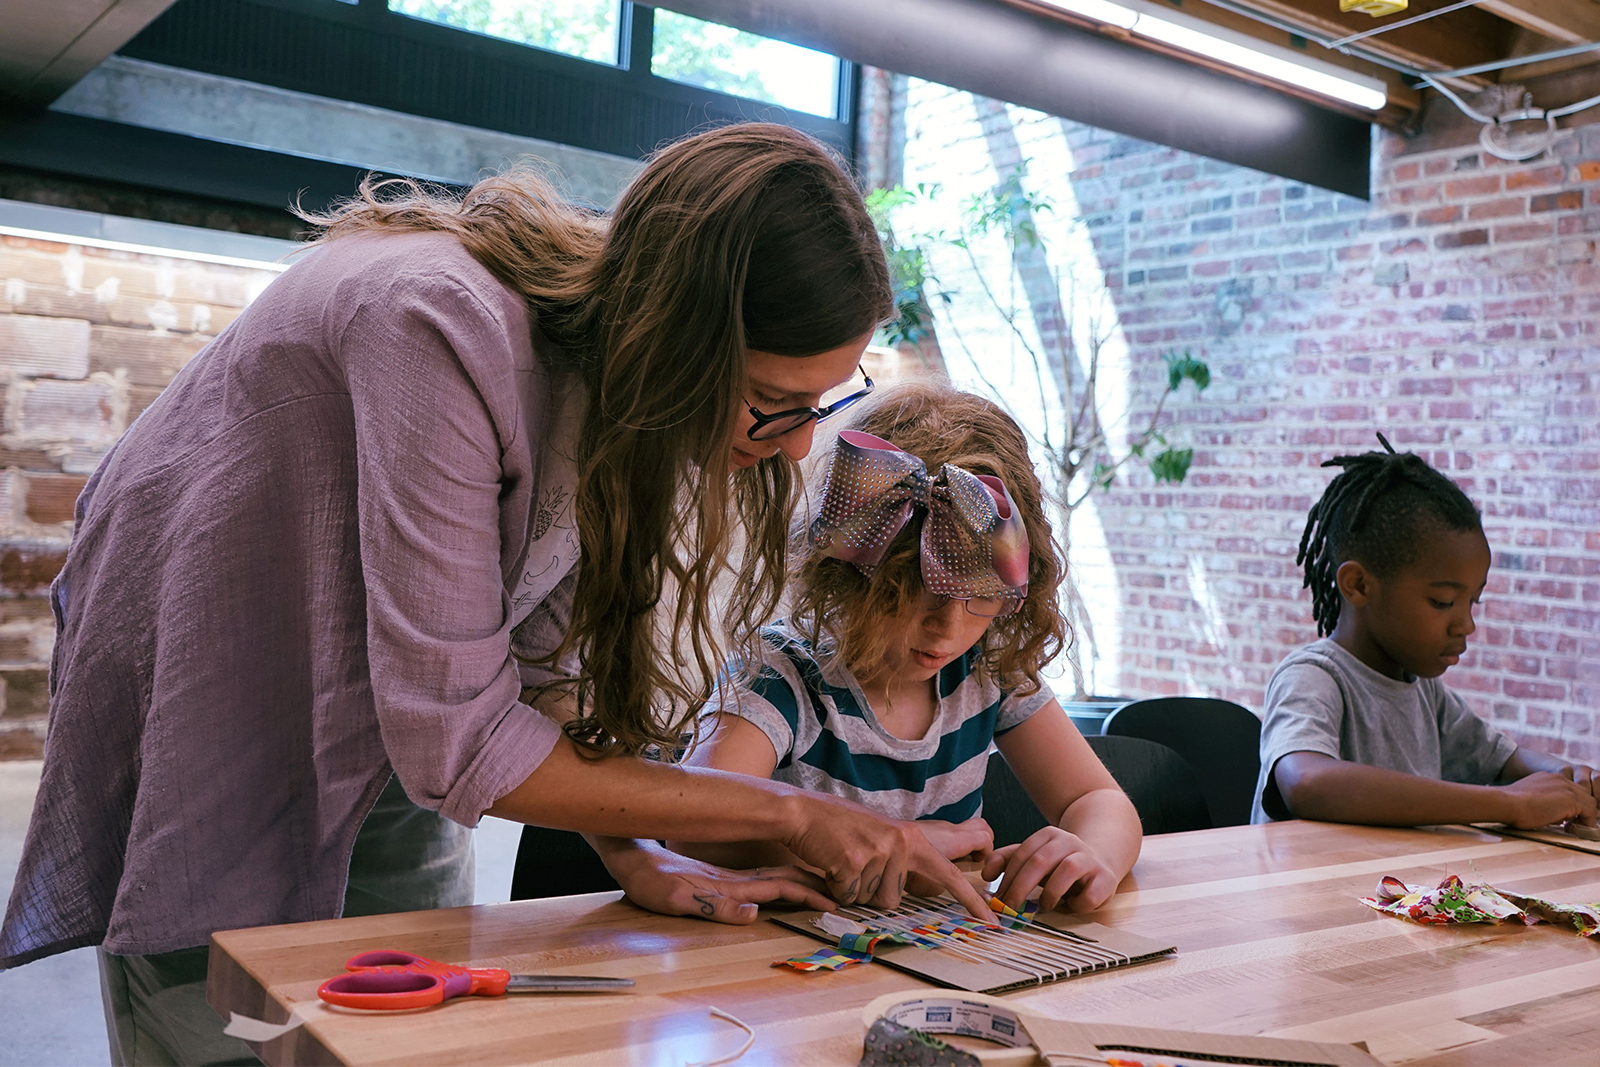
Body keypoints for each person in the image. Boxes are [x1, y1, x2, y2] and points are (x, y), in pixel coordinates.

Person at [0, 123, 988, 1066]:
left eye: (820, 403)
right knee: (219, 1002)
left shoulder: (612, 382)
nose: (800, 441)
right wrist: (793, 814)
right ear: (679, 336)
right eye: (772, 403)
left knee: (406, 1005)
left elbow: (534, 674)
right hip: (220, 653)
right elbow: (461, 741)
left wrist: (632, 848)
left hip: (385, 688)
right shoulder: (437, 322)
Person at [673, 381, 1143, 914]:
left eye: (981, 597)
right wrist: (876, 855)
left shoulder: (988, 668)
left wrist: (1092, 852)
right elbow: (695, 833)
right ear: (851, 574)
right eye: (912, 594)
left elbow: (1097, 800)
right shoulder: (778, 677)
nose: (948, 629)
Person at [1253, 437, 1600, 829]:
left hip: (1394, 888)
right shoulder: (1313, 677)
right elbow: (1306, 782)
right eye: (1442, 602)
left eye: (1474, 602)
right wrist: (1505, 804)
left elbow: (1504, 761)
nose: (1466, 625)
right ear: (1359, 585)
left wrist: (1573, 779)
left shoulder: (1423, 691)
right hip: (1313, 890)